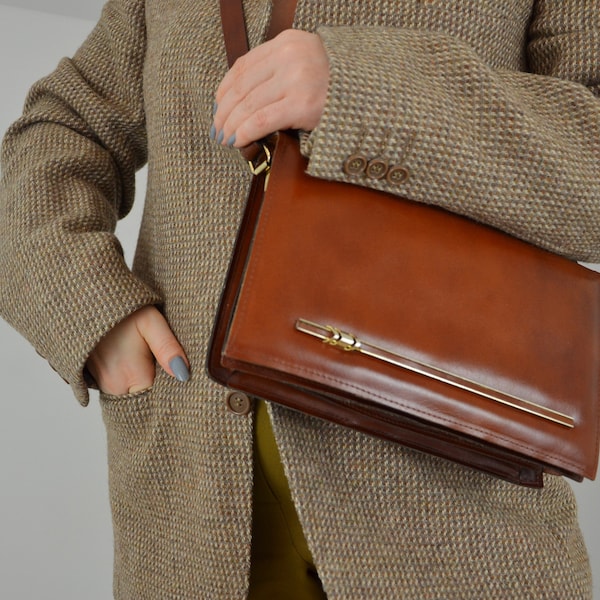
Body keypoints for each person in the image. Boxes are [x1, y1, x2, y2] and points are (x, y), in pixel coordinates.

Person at [1, 0, 598, 597]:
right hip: (188, 521)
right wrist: (89, 305)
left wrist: (365, 89)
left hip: (466, 532)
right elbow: (61, 128)